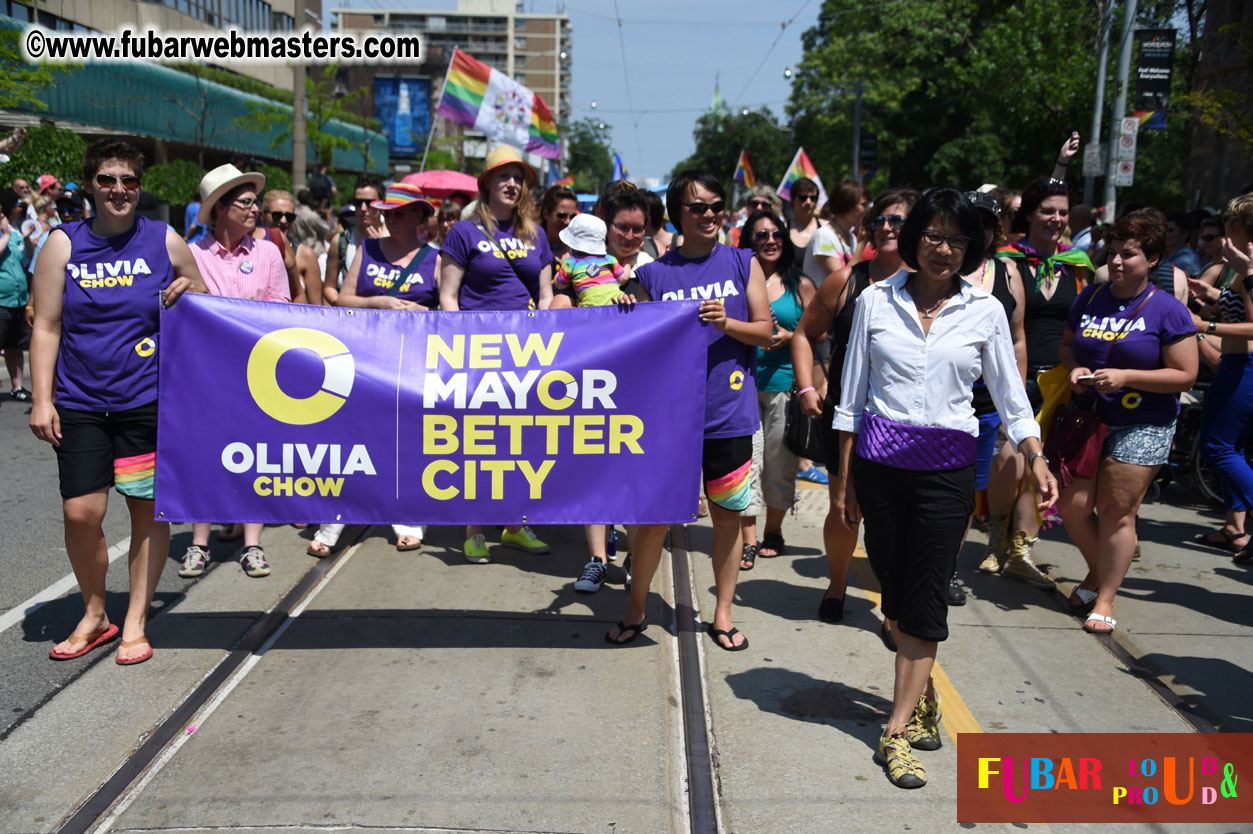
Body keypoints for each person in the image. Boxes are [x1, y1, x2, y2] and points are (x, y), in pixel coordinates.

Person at [833, 188, 1057, 788]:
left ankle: (895, 732)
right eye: (933, 236)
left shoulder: (983, 311)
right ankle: (923, 693)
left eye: (958, 240)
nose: (944, 249)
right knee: (897, 597)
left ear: (972, 248)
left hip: (946, 473)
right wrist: (845, 481)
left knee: (927, 597)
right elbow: (850, 399)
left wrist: (1035, 456)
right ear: (913, 241)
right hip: (880, 470)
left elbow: (1011, 397)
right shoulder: (876, 301)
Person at [29, 139, 206, 665]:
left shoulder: (164, 239)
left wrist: (187, 291)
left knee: (146, 511)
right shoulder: (63, 244)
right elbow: (45, 325)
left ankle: (134, 621)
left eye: (129, 180)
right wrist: (42, 400)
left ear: (139, 187)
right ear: (90, 185)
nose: (119, 190)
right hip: (81, 401)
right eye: (107, 179)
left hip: (148, 401)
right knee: (81, 512)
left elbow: (201, 297)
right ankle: (95, 611)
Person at [606, 170, 773, 650]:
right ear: (678, 213)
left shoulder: (744, 263)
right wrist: (623, 307)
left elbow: (767, 331)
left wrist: (730, 322)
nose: (710, 215)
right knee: (654, 521)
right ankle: (636, 608)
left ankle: (721, 614)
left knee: (728, 518)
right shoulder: (654, 275)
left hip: (730, 419)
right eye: (698, 207)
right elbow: (627, 343)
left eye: (717, 206)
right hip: (667, 427)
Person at [1056, 209, 1198, 633]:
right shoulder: (1091, 297)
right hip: (1088, 419)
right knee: (1073, 506)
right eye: (1112, 253)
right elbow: (1068, 346)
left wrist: (1127, 376)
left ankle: (1105, 596)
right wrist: (1075, 371)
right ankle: (1098, 571)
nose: (1116, 262)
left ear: (1152, 259)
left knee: (1118, 512)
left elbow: (1185, 374)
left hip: (1144, 423)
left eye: (1128, 255)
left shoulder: (1167, 310)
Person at [793, 187, 920, 621]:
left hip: (904, 420)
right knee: (843, 508)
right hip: (846, 416)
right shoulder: (847, 279)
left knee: (894, 519)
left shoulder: (930, 284)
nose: (886, 227)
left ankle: (892, 607)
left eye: (898, 221)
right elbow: (803, 335)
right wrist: (808, 387)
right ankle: (837, 584)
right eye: (880, 219)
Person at [309, 183, 439, 557]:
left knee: (409, 442)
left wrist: (425, 314)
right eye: (388, 213)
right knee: (351, 439)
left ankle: (408, 519)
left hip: (413, 366)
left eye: (399, 213)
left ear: (419, 217)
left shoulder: (436, 258)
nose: (389, 219)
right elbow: (343, 298)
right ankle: (333, 521)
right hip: (363, 362)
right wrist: (378, 302)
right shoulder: (366, 250)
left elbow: (452, 314)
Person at [439, 145, 553, 562]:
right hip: (478, 355)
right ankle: (473, 531)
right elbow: (448, 298)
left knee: (521, 443)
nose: (511, 184)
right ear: (485, 182)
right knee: (481, 443)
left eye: (518, 177)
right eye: (503, 176)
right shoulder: (464, 232)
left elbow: (545, 297)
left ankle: (515, 523)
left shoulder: (536, 234)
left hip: (525, 354)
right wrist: (461, 351)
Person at [180, 163, 290, 580]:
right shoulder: (192, 254)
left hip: (256, 372)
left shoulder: (268, 253)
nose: (255, 210)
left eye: (255, 203)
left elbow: (283, 309)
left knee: (255, 455)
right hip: (206, 374)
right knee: (204, 455)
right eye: (245, 203)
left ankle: (252, 545)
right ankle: (198, 544)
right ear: (220, 208)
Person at [992, 176, 1093, 586]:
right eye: (1047, 211)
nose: (1056, 219)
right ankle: (994, 533)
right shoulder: (1005, 262)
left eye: (1063, 212)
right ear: (1029, 215)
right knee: (1007, 461)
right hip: (1011, 377)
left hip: (1061, 383)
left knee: (1043, 464)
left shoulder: (1079, 266)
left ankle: (1020, 547)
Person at [735, 209, 816, 569]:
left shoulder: (801, 285)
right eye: (760, 235)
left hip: (785, 386)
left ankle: (774, 531)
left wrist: (791, 336)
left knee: (779, 467)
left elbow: (819, 332)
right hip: (742, 386)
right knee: (746, 466)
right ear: (748, 243)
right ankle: (748, 539)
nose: (769, 241)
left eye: (775, 234)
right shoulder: (737, 281)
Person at [1193, 196, 1253, 557]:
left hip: (1243, 370)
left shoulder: (1249, 270)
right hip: (1237, 368)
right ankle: (1237, 529)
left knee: (1217, 446)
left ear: (1237, 228)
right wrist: (1213, 293)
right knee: (1235, 448)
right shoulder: (1241, 269)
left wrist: (1206, 324)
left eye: (1230, 222)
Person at [324, 177, 387, 305]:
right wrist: (343, 303)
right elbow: (329, 287)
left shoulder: (394, 237)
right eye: (358, 203)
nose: (363, 208)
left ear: (382, 205)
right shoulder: (341, 241)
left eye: (370, 203)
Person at [802, 178, 870, 287]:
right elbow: (842, 283)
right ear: (846, 205)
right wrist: (861, 245)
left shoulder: (851, 237)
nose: (867, 210)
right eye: (863, 205)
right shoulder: (823, 235)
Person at [0, 189, 32, 401]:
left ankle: (17, 386)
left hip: (19, 300)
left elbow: (28, 258)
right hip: (1, 301)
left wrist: (27, 240)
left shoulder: (15, 231)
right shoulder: (7, 233)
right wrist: (7, 235)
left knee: (15, 345)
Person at [254, 189, 309, 303]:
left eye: (289, 217)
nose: (283, 221)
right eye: (277, 215)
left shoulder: (305, 253)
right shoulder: (248, 244)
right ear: (262, 215)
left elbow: (314, 305)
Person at [539, 185, 579, 263]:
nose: (568, 221)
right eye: (562, 215)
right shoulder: (531, 249)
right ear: (546, 213)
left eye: (572, 216)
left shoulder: (579, 252)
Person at [1163, 212, 1203, 278]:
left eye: (1170, 230)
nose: (1165, 235)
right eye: (1164, 231)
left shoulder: (1188, 260)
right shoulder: (1167, 257)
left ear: (1185, 234)